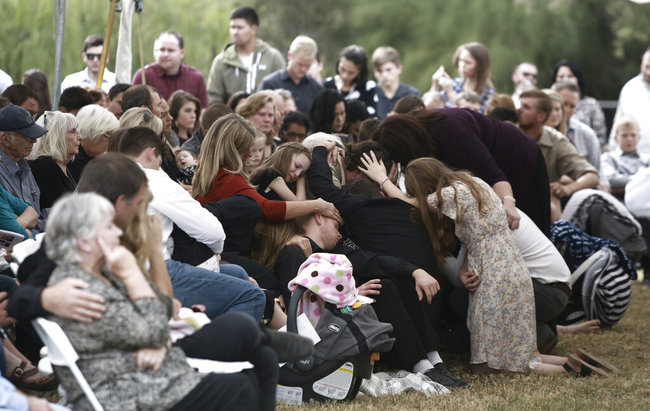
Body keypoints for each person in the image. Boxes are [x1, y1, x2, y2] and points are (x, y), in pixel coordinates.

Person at [44, 192, 267, 410]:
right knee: (240, 385)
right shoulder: (79, 285)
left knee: (248, 341)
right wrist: (144, 262)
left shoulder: (101, 272)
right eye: (110, 228)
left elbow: (163, 307)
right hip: (131, 386)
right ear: (85, 241)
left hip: (144, 365)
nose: (118, 234)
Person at [392, 157, 588, 376]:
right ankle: (574, 364)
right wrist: (465, 266)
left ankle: (568, 371)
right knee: (517, 354)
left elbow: (408, 204)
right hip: (512, 268)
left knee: (489, 367)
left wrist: (383, 181)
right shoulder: (474, 183)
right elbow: (474, 235)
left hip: (494, 274)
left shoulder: (450, 194)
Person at [373, 108, 550, 235]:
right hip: (490, 165)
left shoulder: (453, 133)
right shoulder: (408, 129)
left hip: (520, 159)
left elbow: (495, 176)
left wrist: (508, 203)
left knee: (527, 224)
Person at [193, 113, 340, 224]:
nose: (250, 154)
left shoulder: (213, 173)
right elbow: (268, 209)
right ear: (232, 149)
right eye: (246, 149)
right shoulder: (230, 178)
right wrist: (317, 205)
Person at [517, 90, 598, 221]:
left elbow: (592, 176)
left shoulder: (557, 140)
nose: (518, 110)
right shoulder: (508, 131)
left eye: (526, 107)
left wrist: (567, 189)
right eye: (520, 105)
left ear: (541, 116)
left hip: (542, 204)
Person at [207, 6, 285, 105]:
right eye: (232, 27)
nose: (235, 32)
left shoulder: (273, 57)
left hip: (268, 118)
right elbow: (214, 99)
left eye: (240, 27)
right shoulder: (221, 61)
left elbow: (283, 94)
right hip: (232, 119)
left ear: (254, 29)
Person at [0, 105, 48, 232]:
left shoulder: (24, 167)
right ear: (5, 139)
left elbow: (35, 216)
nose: (34, 141)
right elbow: (10, 229)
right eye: (28, 137)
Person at [132, 31, 208, 108]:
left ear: (182, 53)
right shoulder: (143, 76)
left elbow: (202, 111)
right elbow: (132, 111)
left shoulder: (196, 77)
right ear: (155, 52)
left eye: (171, 50)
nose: (165, 54)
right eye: (162, 50)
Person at [27, 111, 81, 212]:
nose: (80, 137)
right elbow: (61, 209)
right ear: (56, 136)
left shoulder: (61, 164)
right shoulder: (44, 166)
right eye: (73, 131)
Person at [258, 35, 323, 113]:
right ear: (289, 55)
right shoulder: (269, 84)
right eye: (300, 64)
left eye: (308, 65)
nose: (303, 69)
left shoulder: (316, 88)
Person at [552, 59, 607, 146]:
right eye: (561, 77)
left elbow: (600, 137)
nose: (565, 79)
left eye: (570, 76)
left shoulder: (591, 104)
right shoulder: (548, 102)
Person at [432, 42, 495, 112]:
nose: (462, 65)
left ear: (480, 66)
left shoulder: (487, 92)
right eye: (460, 60)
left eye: (468, 62)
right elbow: (430, 107)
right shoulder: (455, 83)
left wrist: (450, 93)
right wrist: (435, 86)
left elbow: (468, 118)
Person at [552, 81, 601, 170]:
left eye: (572, 106)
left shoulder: (587, 134)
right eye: (564, 104)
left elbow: (597, 173)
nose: (567, 110)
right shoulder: (537, 131)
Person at [610, 47, 650, 153]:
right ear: (642, 61)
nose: (649, 72)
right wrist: (612, 150)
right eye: (647, 66)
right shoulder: (630, 89)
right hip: (633, 157)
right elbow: (618, 122)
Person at [600, 117, 650, 200]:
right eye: (624, 136)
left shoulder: (647, 159)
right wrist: (643, 179)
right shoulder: (608, 158)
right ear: (616, 138)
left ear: (638, 137)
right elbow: (611, 180)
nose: (629, 139)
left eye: (633, 135)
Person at [68, 104, 119, 182]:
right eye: (108, 136)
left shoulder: (90, 158)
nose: (111, 142)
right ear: (91, 133)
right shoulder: (74, 162)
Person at [323, 45, 376, 115]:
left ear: (360, 72)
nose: (345, 76)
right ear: (338, 63)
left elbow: (372, 116)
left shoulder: (368, 87)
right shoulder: (327, 84)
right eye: (342, 69)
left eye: (351, 73)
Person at [371, 46, 421, 119]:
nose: (384, 75)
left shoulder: (413, 95)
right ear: (375, 72)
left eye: (388, 70)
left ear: (399, 68)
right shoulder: (369, 95)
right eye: (380, 71)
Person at [236, 92, 278, 160]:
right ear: (246, 115)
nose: (267, 120)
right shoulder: (237, 145)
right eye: (262, 114)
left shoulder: (278, 147)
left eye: (270, 115)